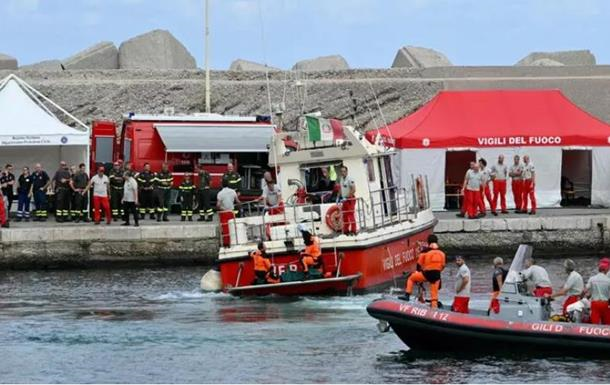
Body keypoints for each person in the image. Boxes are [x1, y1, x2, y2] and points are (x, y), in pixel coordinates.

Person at [404, 234, 446, 309]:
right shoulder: (442, 253)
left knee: (411, 278)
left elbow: (419, 264)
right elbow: (442, 266)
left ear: (428, 242)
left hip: (426, 274)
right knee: (434, 296)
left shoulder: (425, 252)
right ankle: (434, 309)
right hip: (437, 275)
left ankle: (407, 295)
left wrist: (418, 272)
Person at [584, 258, 610, 325]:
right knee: (606, 323)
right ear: (606, 269)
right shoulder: (608, 280)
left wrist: (581, 297)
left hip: (595, 303)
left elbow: (585, 290)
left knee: (595, 323)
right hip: (605, 303)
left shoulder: (592, 279)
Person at [217, 180, 241, 246]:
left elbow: (218, 205)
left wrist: (222, 208)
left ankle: (226, 244)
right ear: (228, 184)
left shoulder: (220, 193)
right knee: (232, 228)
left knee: (225, 229)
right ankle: (233, 242)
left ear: (221, 185)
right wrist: (239, 208)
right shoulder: (233, 191)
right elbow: (238, 202)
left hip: (224, 213)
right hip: (231, 213)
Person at [339, 165, 357, 234]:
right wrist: (338, 197)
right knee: (345, 215)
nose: (342, 172)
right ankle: (346, 230)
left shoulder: (350, 179)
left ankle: (353, 231)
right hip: (344, 200)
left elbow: (353, 189)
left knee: (351, 215)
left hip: (350, 199)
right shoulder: (341, 179)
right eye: (341, 171)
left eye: (344, 171)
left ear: (347, 172)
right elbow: (341, 189)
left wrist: (347, 197)